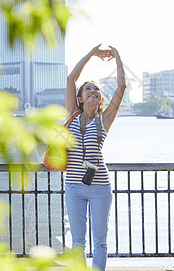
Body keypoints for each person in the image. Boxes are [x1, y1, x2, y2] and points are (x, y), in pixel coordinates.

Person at [65, 44, 126, 271]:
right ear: (80, 98)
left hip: (100, 187)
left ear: (101, 99)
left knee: (100, 241)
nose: (93, 91)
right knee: (77, 243)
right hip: (73, 186)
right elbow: (71, 78)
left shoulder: (104, 119)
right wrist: (91, 54)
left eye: (97, 90)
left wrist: (117, 56)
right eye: (88, 89)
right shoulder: (73, 114)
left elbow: (122, 86)